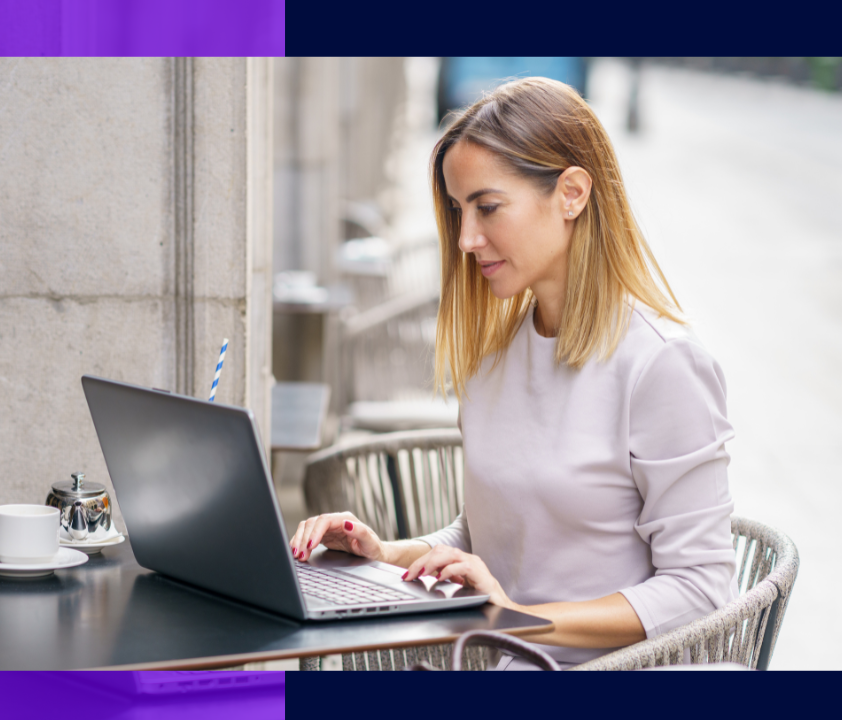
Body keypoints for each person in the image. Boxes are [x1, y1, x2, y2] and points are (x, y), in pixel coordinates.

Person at [289, 77, 736, 668]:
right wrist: (386, 553)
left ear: (572, 192)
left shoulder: (662, 364)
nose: (468, 238)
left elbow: (703, 591)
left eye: (488, 206)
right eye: (458, 210)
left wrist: (514, 618)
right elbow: (490, 536)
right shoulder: (495, 360)